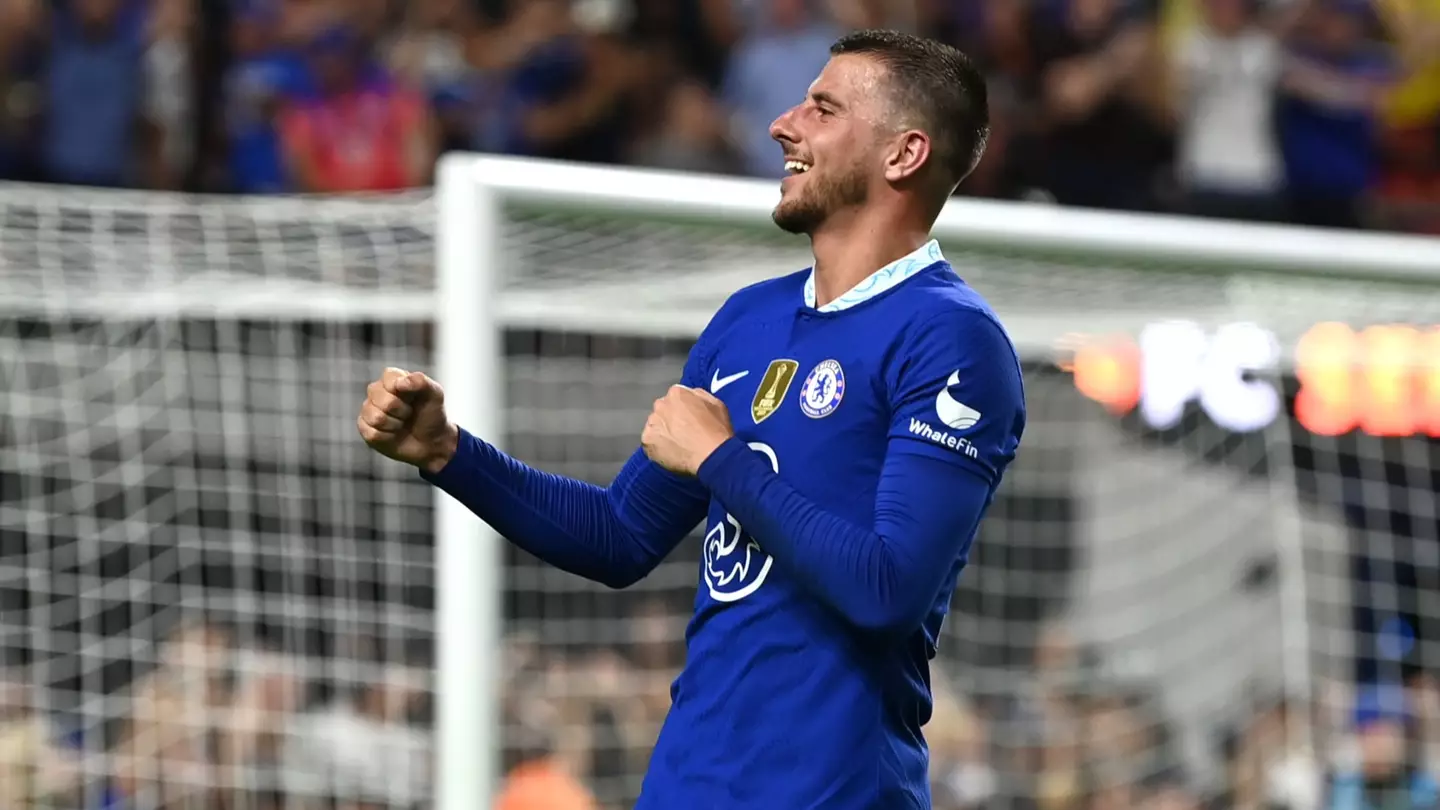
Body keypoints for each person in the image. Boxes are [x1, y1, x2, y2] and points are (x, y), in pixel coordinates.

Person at [358, 29, 1025, 810]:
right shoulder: (748, 319)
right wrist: (448, 453)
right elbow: (618, 537)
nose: (782, 124)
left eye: (822, 108)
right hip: (687, 786)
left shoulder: (951, 337)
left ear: (903, 154)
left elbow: (885, 589)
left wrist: (720, 459)